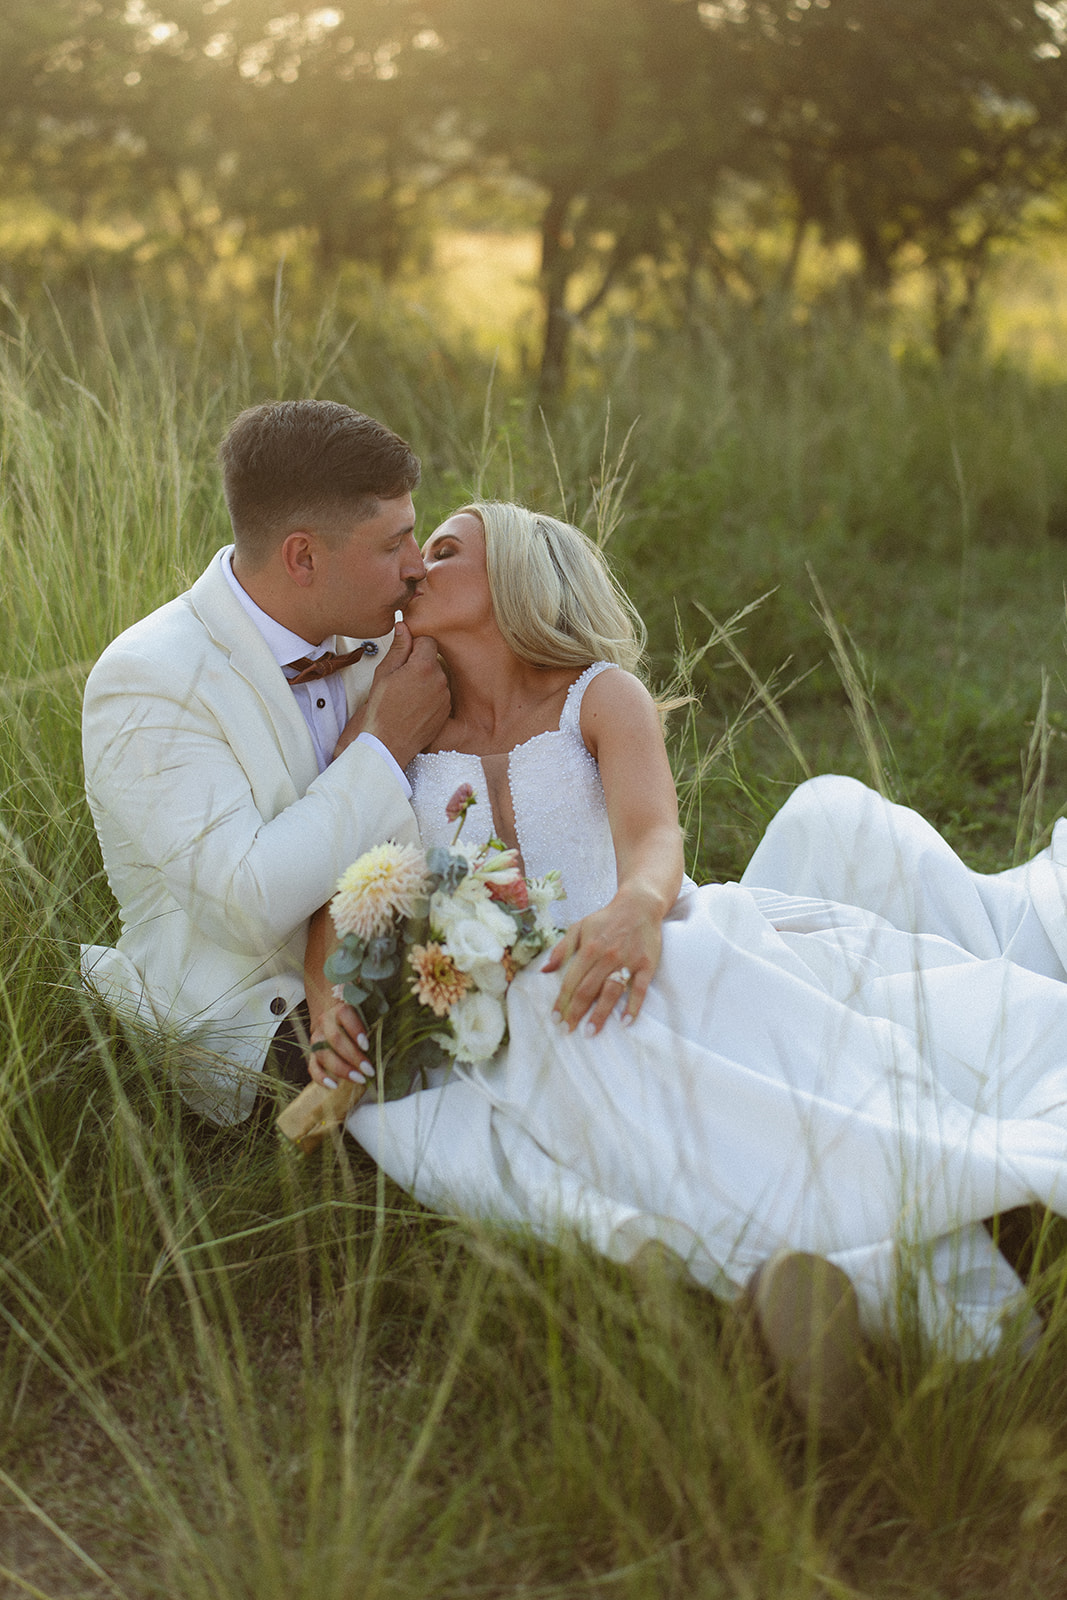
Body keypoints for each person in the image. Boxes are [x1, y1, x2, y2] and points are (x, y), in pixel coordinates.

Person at [306, 502, 1067, 1378]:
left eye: (443, 552)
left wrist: (634, 908)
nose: (415, 570)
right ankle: (856, 1301)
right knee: (590, 1069)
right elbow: (339, 883)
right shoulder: (393, 725)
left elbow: (654, 833)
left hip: (649, 946)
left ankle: (936, 1271)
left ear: (514, 574)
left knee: (761, 1087)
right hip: (514, 1018)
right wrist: (330, 1000)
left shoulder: (595, 695)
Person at [80, 399, 450, 1124]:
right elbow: (245, 908)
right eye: (392, 545)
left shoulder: (386, 640)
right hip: (251, 1016)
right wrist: (382, 746)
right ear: (303, 556)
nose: (416, 568)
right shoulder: (149, 678)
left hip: (397, 955)